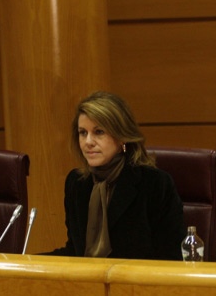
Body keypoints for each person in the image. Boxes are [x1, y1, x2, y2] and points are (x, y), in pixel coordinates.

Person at [47, 91, 185, 260]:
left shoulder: (154, 184)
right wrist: (26, 262)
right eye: (83, 132)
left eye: (98, 132)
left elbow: (172, 257)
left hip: (137, 283)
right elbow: (76, 252)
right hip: (87, 283)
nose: (88, 141)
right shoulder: (77, 183)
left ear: (122, 137)